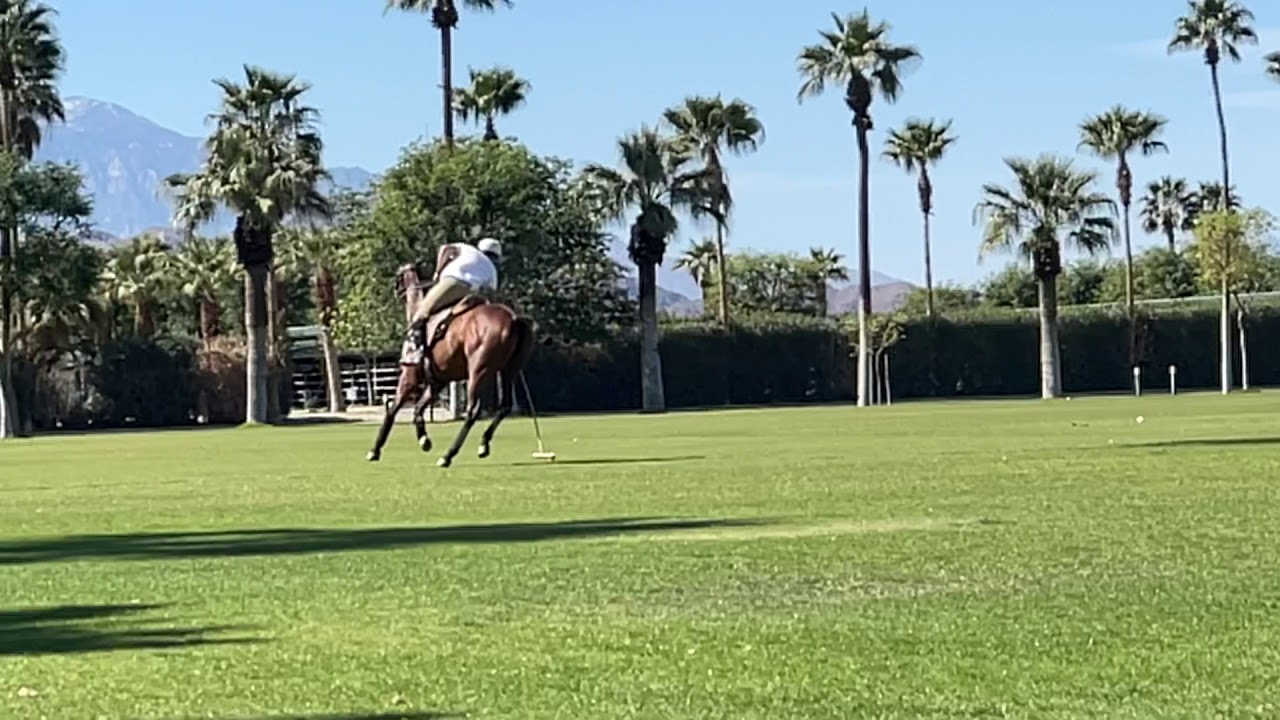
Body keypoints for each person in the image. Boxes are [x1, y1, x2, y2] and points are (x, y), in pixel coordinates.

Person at [406, 237, 502, 352]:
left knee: (420, 313)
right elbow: (491, 297)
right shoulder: (493, 270)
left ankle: (414, 352)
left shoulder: (468, 249)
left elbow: (445, 249)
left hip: (454, 282)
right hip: (474, 293)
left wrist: (438, 271)